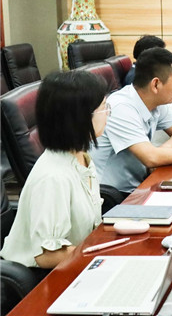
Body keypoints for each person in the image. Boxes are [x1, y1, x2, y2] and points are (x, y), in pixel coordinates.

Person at [0, 71, 108, 269]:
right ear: (80, 117)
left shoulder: (80, 157)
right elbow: (47, 255)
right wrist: (102, 255)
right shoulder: (53, 177)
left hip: (76, 261)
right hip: (42, 277)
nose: (108, 113)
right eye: (104, 107)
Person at [90, 47, 172, 194]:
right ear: (156, 84)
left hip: (142, 184)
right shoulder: (120, 107)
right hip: (114, 195)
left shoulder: (156, 101)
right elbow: (150, 158)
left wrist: (162, 151)